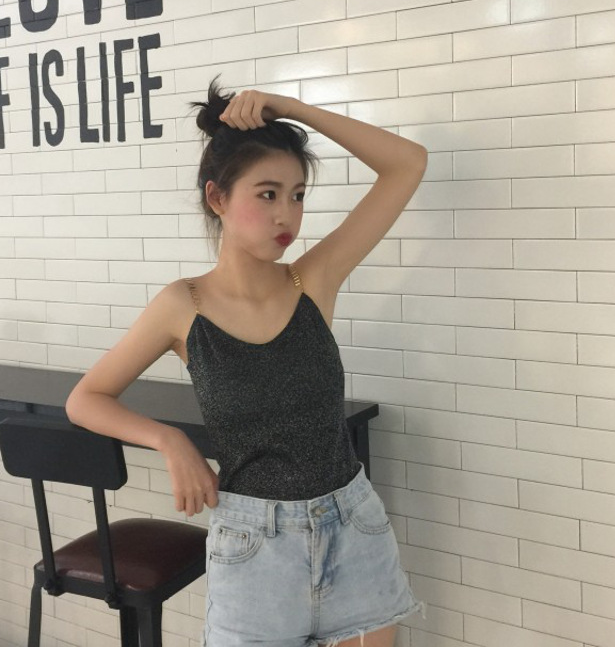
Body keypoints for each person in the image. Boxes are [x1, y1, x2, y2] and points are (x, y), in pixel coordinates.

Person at [66, 77, 428, 647]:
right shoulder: (182, 305)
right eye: (267, 194)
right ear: (218, 199)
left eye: (298, 195)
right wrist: (169, 441)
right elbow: (86, 398)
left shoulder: (313, 281)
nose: (288, 214)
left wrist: (293, 108)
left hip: (354, 529)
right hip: (255, 548)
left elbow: (407, 163)